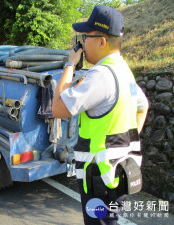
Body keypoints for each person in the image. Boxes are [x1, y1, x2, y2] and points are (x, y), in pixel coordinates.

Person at [52, 5, 149, 225]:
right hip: (120, 171)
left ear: (102, 41)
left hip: (98, 179)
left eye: (86, 37)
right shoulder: (123, 71)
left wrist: (70, 64)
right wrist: (125, 143)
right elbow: (143, 106)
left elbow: (58, 108)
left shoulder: (101, 76)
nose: (83, 43)